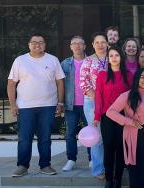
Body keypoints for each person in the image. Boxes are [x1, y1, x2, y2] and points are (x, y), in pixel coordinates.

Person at [8, 33, 65, 178]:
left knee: (45, 137)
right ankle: (22, 166)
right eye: (34, 42)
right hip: (25, 107)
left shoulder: (53, 60)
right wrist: (13, 105)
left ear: (45, 44)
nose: (37, 44)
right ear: (29, 45)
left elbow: (60, 82)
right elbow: (11, 84)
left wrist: (60, 102)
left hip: (47, 105)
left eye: (41, 42)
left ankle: (45, 165)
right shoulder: (20, 61)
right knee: (24, 138)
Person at [94, 46, 130, 188]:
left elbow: (131, 97)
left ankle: (118, 181)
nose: (114, 58)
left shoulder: (128, 75)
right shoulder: (102, 76)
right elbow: (98, 97)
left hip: (123, 116)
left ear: (121, 58)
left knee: (121, 149)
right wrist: (97, 117)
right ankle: (108, 180)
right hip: (107, 116)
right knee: (108, 148)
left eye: (116, 55)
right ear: (108, 59)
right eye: (111, 56)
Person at [80, 32, 109, 179]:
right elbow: (84, 83)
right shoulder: (88, 61)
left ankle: (110, 166)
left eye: (103, 42)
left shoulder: (113, 59)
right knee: (97, 136)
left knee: (109, 134)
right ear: (92, 45)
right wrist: (98, 98)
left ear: (107, 44)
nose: (100, 44)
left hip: (111, 103)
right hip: (92, 102)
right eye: (97, 42)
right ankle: (98, 169)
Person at [60, 35, 88, 172]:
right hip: (71, 105)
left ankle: (92, 159)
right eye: (74, 43)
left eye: (80, 43)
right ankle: (71, 159)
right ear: (70, 47)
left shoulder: (91, 62)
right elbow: (59, 85)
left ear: (85, 46)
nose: (77, 46)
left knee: (91, 132)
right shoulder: (64, 64)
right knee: (70, 134)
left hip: (89, 104)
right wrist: (59, 102)